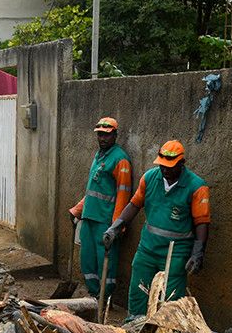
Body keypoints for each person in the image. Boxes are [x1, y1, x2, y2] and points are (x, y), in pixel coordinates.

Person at [103, 140, 210, 318]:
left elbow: (202, 222)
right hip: (147, 248)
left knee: (170, 299)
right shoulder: (150, 178)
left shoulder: (196, 187)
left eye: (170, 166)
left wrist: (197, 254)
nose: (165, 170)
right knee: (139, 290)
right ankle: (134, 329)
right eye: (162, 165)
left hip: (175, 253)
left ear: (181, 163)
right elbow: (134, 204)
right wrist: (115, 227)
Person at [68, 117, 133, 298]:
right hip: (89, 217)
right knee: (87, 260)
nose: (102, 138)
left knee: (105, 262)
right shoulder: (99, 155)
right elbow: (93, 190)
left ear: (115, 135)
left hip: (105, 221)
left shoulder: (121, 160)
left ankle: (104, 299)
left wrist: (117, 225)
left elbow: (123, 193)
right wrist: (77, 210)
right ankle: (93, 295)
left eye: (106, 134)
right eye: (100, 135)